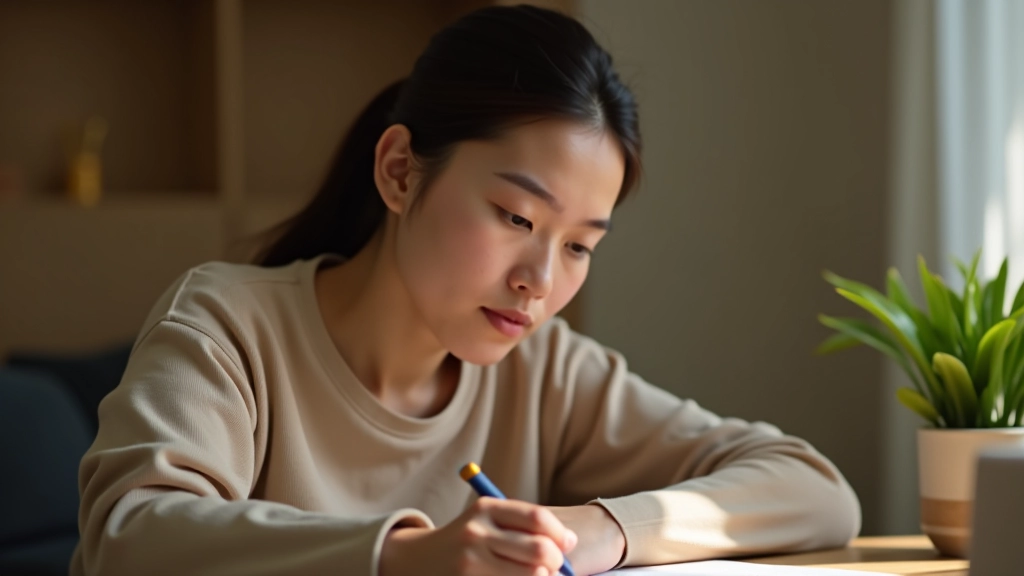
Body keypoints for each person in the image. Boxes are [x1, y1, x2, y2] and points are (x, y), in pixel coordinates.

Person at [72, 5, 860, 576]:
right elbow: (128, 538)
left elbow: (816, 490)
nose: (541, 281)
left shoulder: (545, 370)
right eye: (516, 216)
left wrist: (597, 531)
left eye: (581, 245)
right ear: (399, 171)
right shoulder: (226, 323)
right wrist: (406, 556)